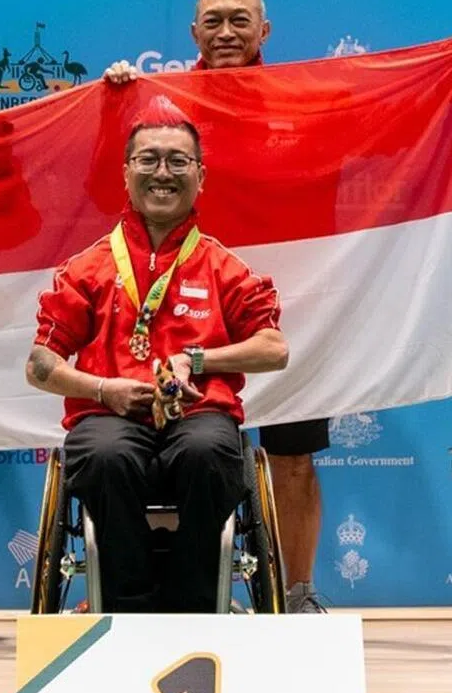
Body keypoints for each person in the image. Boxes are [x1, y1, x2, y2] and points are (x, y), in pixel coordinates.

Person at [104, 0, 452, 613]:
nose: (226, 31)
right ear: (192, 32)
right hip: (180, 311)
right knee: (182, 459)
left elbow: (398, 122)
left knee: (291, 460)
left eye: (240, 19)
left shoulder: (308, 100)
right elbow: (106, 155)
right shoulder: (159, 108)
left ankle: (297, 592)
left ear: (265, 31)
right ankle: (181, 597)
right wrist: (117, 92)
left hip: (291, 307)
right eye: (213, 20)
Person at [26, 97, 289, 613]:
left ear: (201, 176)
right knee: (105, 456)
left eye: (177, 161)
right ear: (126, 174)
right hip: (110, 416)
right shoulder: (88, 267)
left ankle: (191, 604)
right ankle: (130, 605)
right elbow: (40, 364)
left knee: (209, 452)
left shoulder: (223, 265)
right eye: (148, 160)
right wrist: (103, 389)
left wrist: (199, 358)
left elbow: (273, 348)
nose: (162, 173)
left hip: (199, 415)